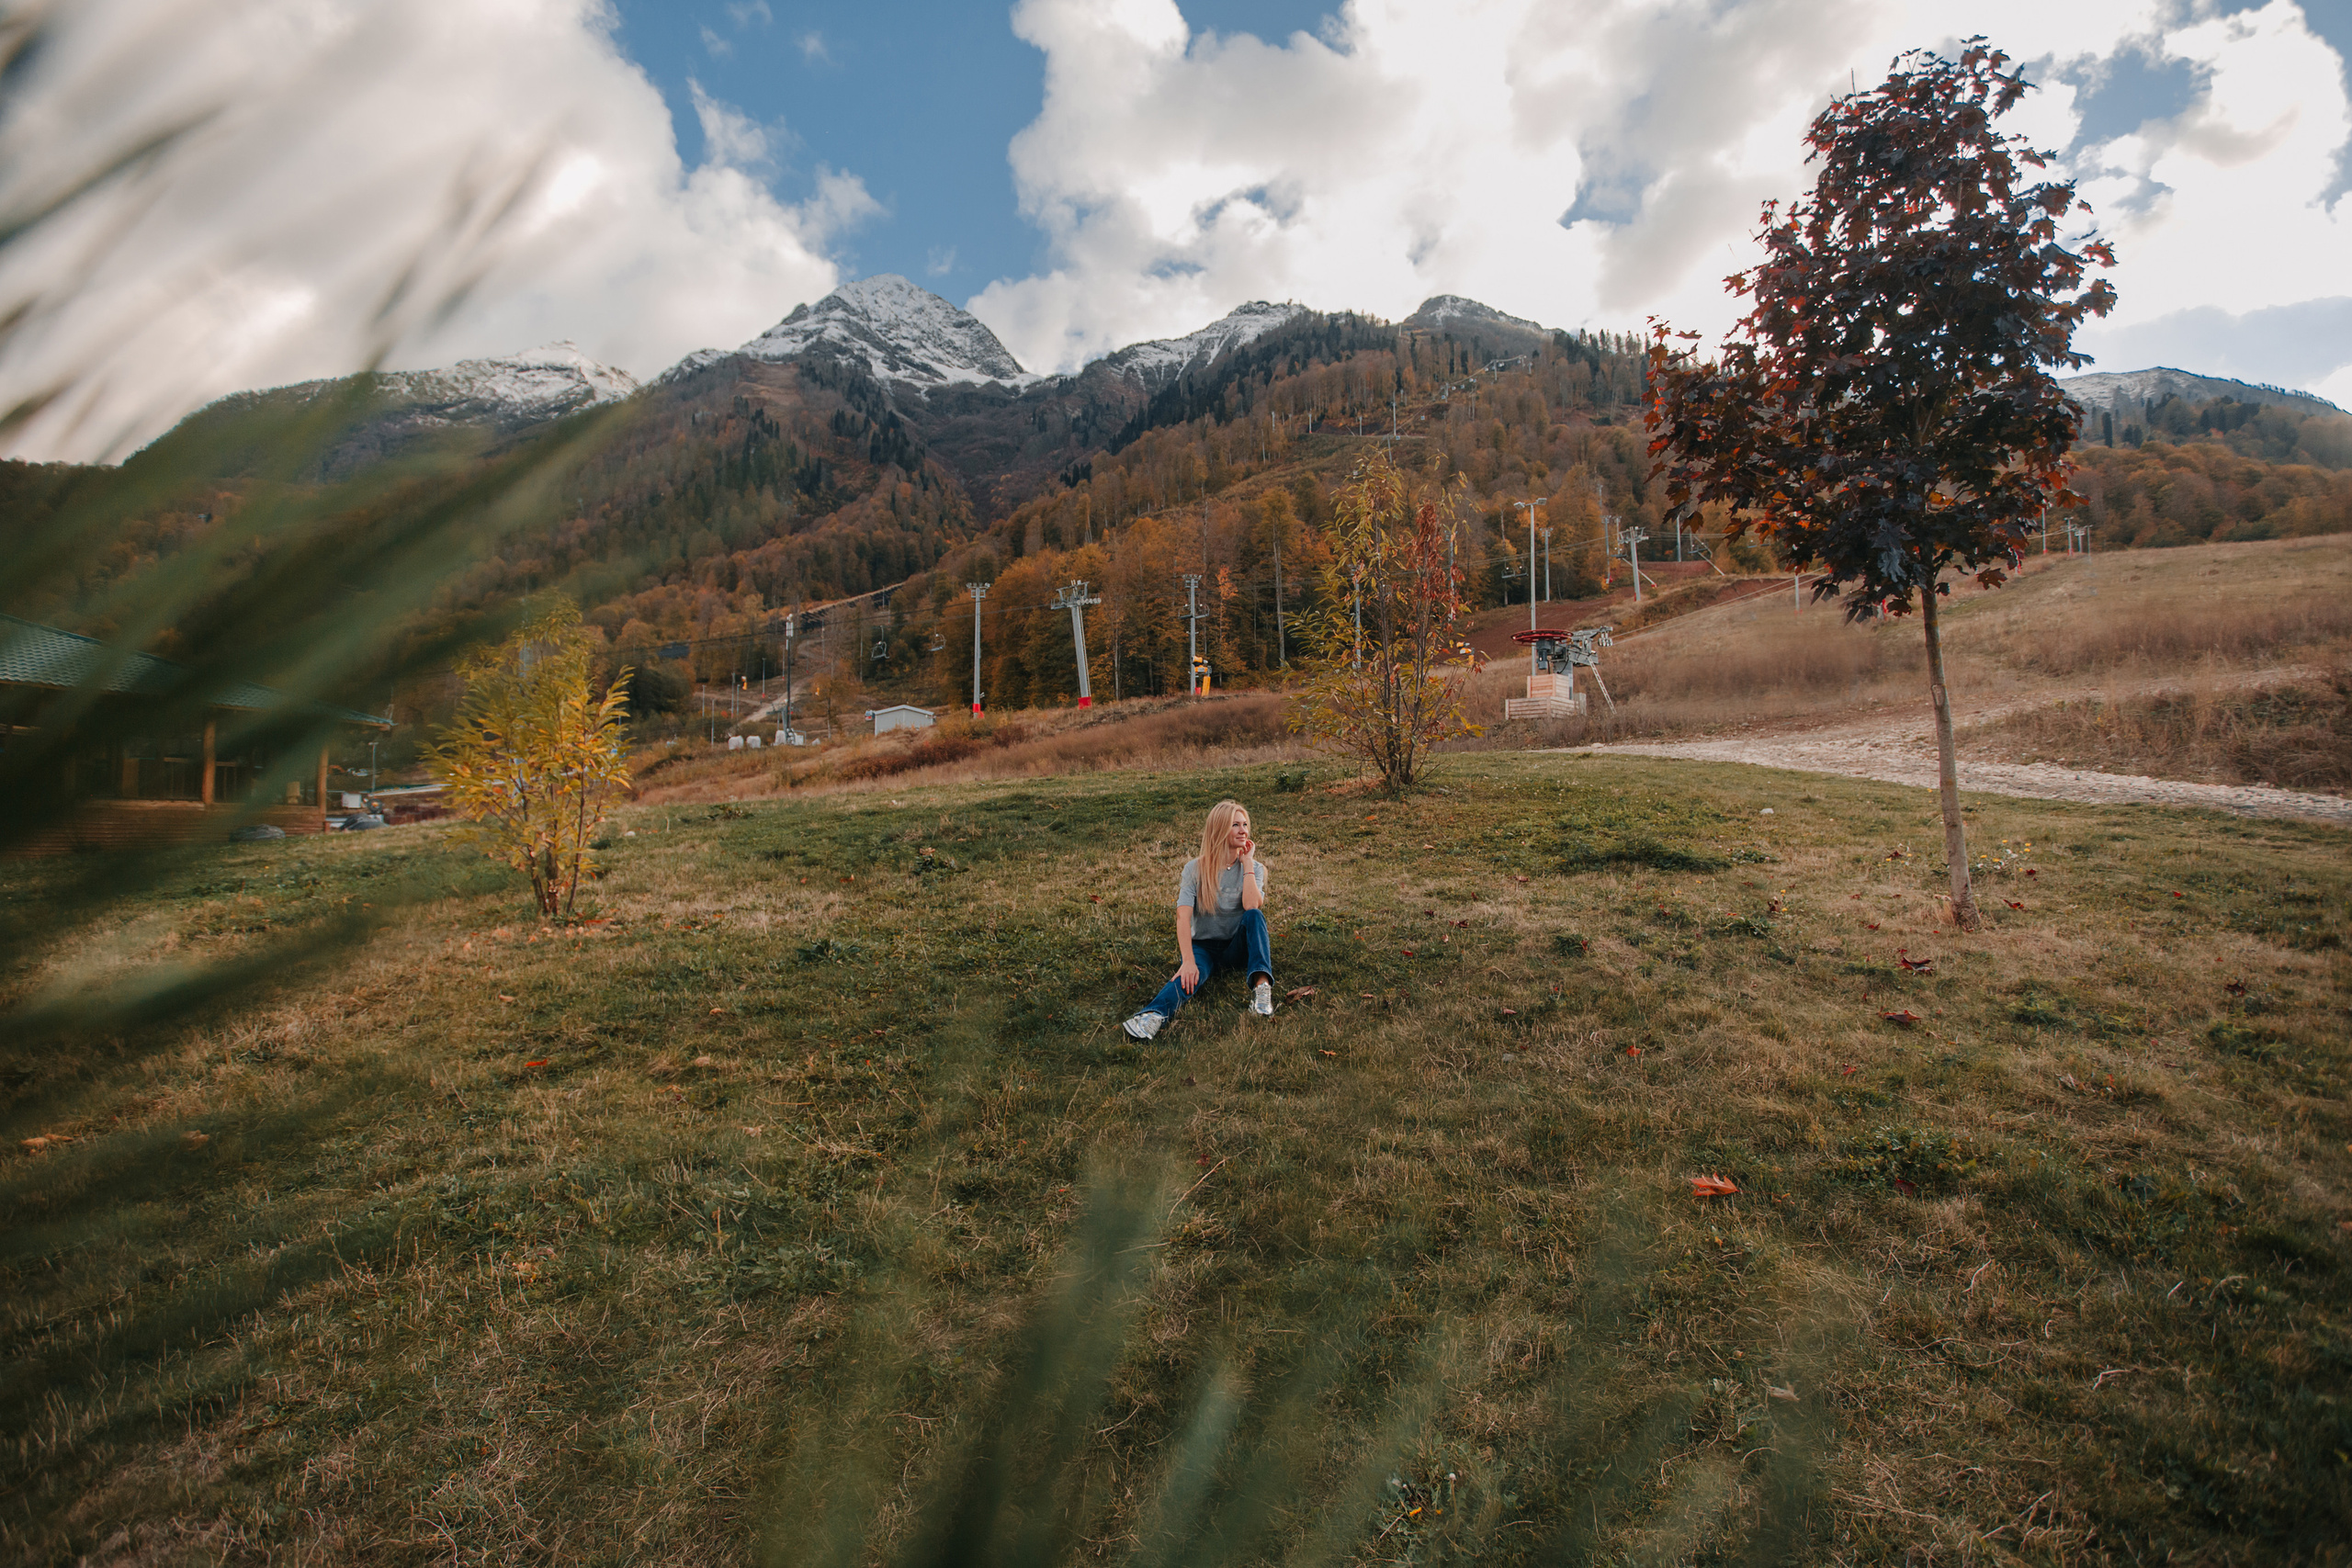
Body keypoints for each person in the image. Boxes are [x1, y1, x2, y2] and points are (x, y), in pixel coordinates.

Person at [1123, 798, 1274, 1041]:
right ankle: (1151, 1017)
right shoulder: (1194, 869)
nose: (1243, 830)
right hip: (1204, 946)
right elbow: (1183, 916)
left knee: (1255, 915)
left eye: (1245, 824)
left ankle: (1262, 991)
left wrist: (1246, 864)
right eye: (1235, 825)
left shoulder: (1253, 868)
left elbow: (1251, 906)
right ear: (1219, 828)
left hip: (1237, 946)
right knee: (1189, 975)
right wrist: (1188, 960)